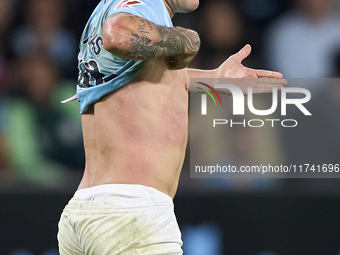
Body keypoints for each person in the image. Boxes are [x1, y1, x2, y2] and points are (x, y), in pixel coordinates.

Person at [58, 0, 286, 254]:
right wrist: (187, 40)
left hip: (86, 211)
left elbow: (143, 80)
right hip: (132, 214)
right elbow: (118, 34)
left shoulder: (106, 8)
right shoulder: (146, 5)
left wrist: (214, 80)